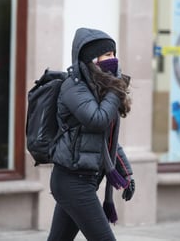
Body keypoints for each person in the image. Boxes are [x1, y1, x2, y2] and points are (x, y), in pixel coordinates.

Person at [47, 27, 136, 241]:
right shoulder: (74, 88)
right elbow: (98, 120)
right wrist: (117, 88)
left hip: (85, 180)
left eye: (114, 54)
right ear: (91, 59)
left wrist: (127, 172)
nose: (113, 60)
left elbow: (107, 139)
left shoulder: (99, 90)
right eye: (107, 55)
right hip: (72, 180)